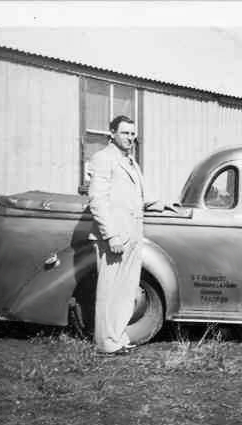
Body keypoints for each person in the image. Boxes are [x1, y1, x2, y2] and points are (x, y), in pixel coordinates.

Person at [88, 115, 144, 356]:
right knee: (109, 291)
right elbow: (97, 200)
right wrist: (111, 236)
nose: (130, 138)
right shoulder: (103, 159)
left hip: (133, 236)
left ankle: (118, 337)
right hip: (115, 238)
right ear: (112, 133)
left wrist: (159, 204)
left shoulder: (131, 161)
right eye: (125, 133)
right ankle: (105, 342)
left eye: (132, 133)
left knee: (126, 290)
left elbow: (132, 197)